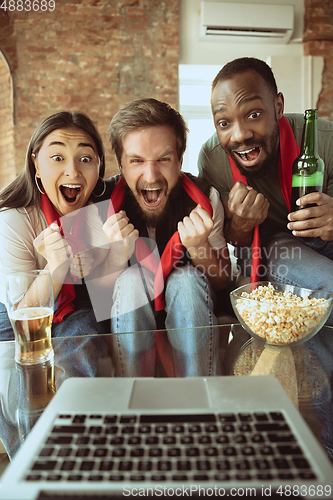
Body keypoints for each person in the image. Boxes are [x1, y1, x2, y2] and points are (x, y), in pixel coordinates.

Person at [197, 57, 333, 461]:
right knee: (325, 292)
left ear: (278, 106)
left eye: (253, 114)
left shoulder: (322, 139)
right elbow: (231, 247)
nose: (239, 134)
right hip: (278, 246)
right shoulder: (213, 161)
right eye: (225, 123)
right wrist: (239, 225)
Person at [98, 98, 231, 377]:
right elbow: (95, 296)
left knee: (187, 279)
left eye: (163, 159)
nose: (151, 175)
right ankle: (133, 398)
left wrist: (199, 247)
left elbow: (222, 280)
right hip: (128, 313)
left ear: (180, 160)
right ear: (120, 164)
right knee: (132, 278)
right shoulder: (100, 202)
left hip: (191, 308)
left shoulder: (205, 197)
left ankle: (198, 397)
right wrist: (114, 256)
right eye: (136, 161)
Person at [0, 111, 110, 349]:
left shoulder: (97, 214)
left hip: (72, 312)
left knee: (83, 330)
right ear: (36, 165)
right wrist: (56, 268)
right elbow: (23, 319)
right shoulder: (13, 220)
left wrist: (95, 260)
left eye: (85, 159)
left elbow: (107, 294)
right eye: (58, 157)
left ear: (99, 165)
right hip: (14, 316)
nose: (73, 171)